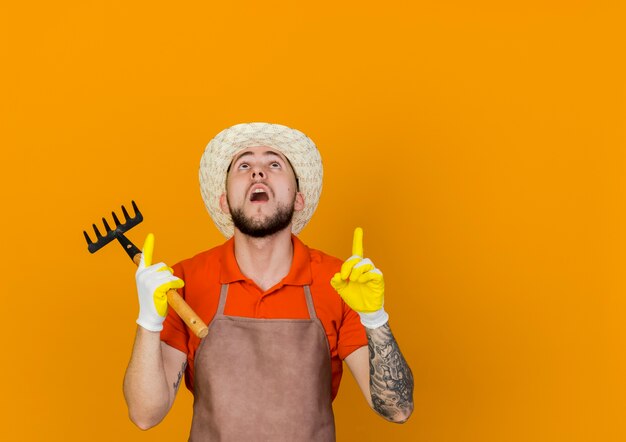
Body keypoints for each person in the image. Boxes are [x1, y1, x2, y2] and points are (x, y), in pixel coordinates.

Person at [123, 122, 414, 440]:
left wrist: (374, 318)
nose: (257, 173)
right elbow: (145, 414)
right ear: (224, 202)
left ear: (299, 199)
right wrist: (149, 322)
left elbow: (397, 409)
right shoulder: (185, 282)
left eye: (274, 164)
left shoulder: (341, 282)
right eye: (243, 165)